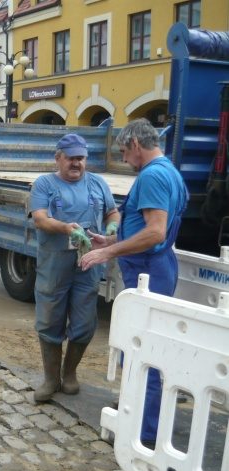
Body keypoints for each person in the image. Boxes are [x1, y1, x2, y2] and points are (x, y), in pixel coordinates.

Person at [80, 118, 188, 448]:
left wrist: (109, 251)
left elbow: (155, 231)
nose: (125, 159)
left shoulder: (153, 175)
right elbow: (151, 230)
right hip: (156, 265)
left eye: (125, 152)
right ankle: (137, 413)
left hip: (148, 271)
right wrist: (109, 241)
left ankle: (143, 433)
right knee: (143, 350)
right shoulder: (169, 170)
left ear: (136, 146)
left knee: (144, 354)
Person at [30, 133, 119, 402]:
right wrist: (66, 228)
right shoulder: (44, 184)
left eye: (80, 158)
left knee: (84, 323)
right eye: (71, 158)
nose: (76, 163)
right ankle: (50, 378)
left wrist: (113, 226)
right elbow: (40, 219)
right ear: (58, 158)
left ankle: (69, 374)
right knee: (49, 320)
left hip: (87, 265)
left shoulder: (97, 183)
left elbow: (112, 212)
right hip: (54, 264)